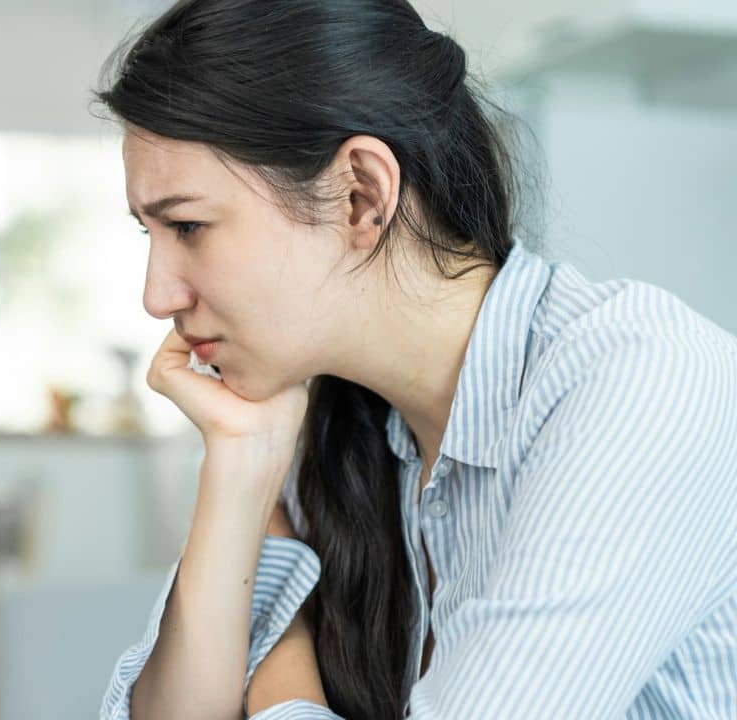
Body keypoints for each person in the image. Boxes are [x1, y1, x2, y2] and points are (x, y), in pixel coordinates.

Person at [91, 1, 737, 718]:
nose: (157, 296)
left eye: (188, 226)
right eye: (150, 233)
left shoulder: (642, 381)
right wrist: (240, 470)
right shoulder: (326, 428)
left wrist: (277, 658)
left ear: (362, 196)